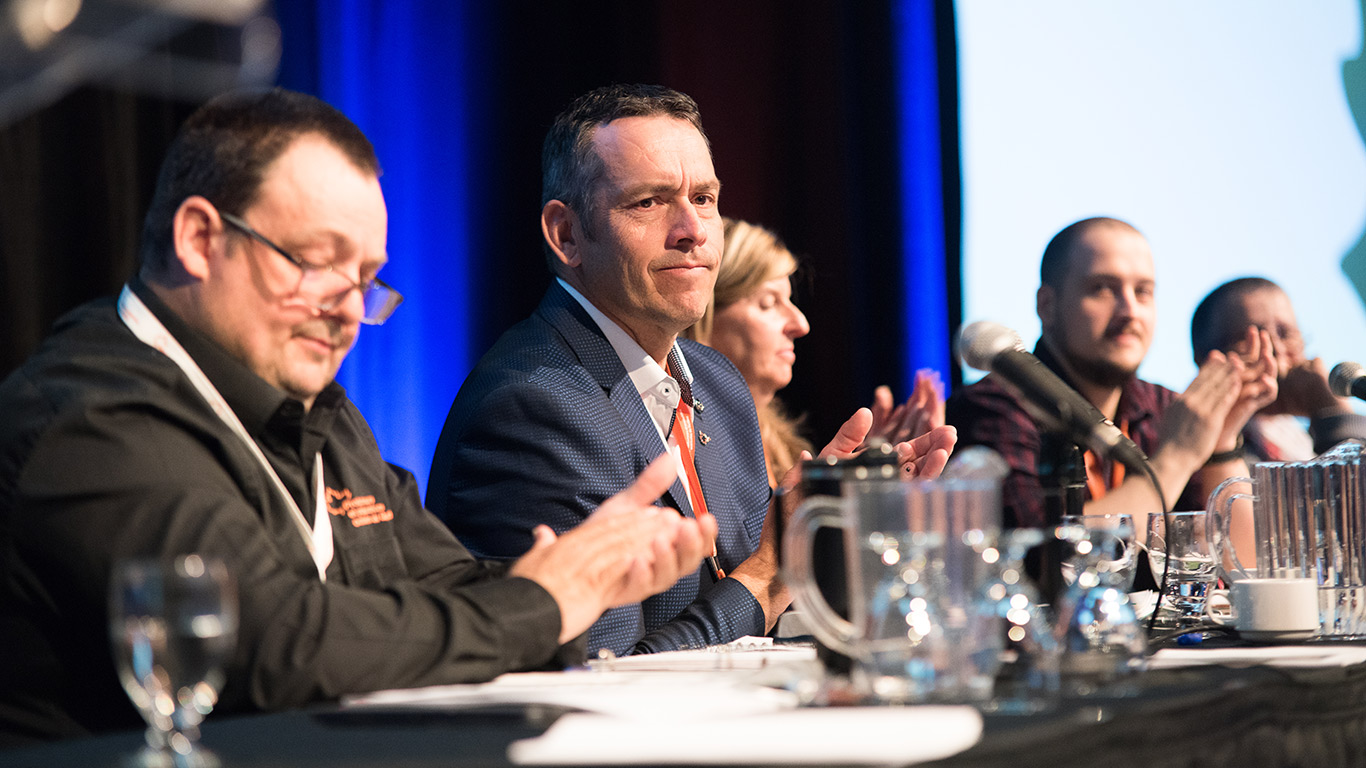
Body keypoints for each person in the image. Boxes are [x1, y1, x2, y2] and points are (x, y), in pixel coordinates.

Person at [0, 88, 717, 747]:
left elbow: (445, 585)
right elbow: (277, 643)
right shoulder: (90, 416)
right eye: (317, 263)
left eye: (366, 279)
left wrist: (577, 571)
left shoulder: (321, 413)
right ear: (199, 240)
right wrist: (543, 602)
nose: (349, 309)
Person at [426, 84, 956, 658]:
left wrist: (825, 536)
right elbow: (602, 676)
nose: (693, 230)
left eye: (704, 198)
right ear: (567, 235)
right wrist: (768, 575)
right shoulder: (534, 408)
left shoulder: (717, 381)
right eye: (649, 202)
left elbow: (763, 624)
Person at [946, 217, 1277, 542]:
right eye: (1103, 289)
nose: (1130, 310)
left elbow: (1240, 568)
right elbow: (1043, 558)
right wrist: (1176, 458)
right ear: (1047, 305)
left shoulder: (1163, 406)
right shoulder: (994, 407)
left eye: (1143, 292)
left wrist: (1221, 442)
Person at [681, 216, 945, 487]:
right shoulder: (681, 444)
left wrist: (871, 476)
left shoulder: (783, 448)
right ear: (703, 315)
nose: (801, 325)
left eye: (789, 301)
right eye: (769, 303)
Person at [1192, 277, 1366, 461]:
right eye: (1253, 340)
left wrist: (1331, 411)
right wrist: (1335, 415)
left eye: (1287, 334)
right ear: (1206, 360)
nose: (1278, 352)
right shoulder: (1202, 446)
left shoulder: (1306, 436)